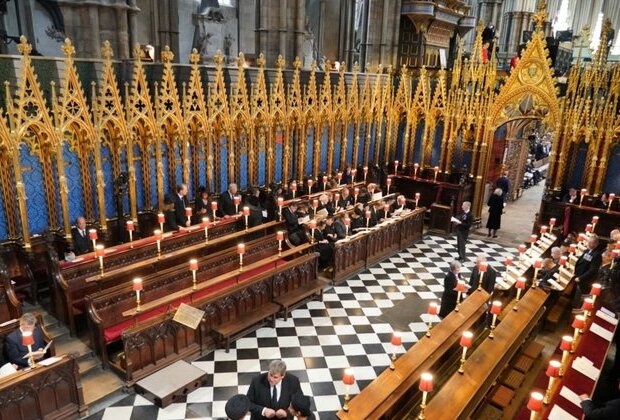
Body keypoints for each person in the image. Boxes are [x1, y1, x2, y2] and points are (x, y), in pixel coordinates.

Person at [572, 234, 603, 309]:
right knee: (576, 294)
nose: (588, 244)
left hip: (584, 280)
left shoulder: (597, 255)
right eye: (588, 242)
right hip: (578, 276)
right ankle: (573, 306)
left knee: (579, 296)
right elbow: (581, 260)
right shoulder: (587, 250)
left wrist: (581, 278)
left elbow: (593, 270)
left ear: (596, 244)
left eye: (591, 242)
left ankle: (576, 309)